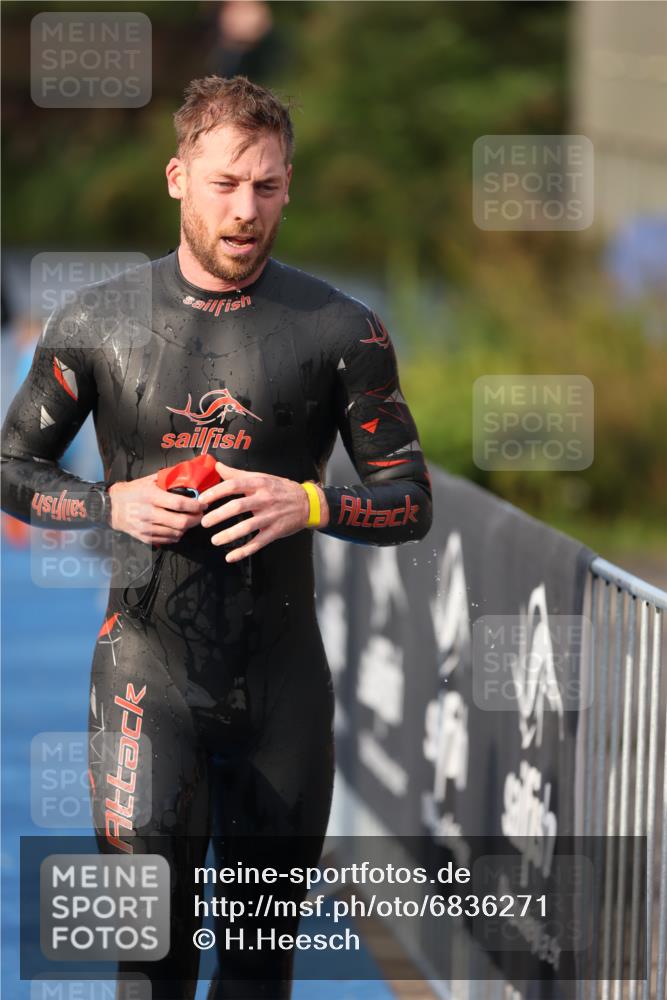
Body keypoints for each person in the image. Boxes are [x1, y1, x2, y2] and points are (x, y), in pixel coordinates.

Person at [1, 75, 432, 999]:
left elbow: (409, 498)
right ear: (176, 179)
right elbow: (10, 468)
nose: (246, 211)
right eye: (225, 183)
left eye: (267, 187)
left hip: (282, 691)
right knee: (148, 961)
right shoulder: (97, 324)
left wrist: (309, 504)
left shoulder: (341, 331)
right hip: (143, 679)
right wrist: (105, 506)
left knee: (258, 969)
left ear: (288, 187)